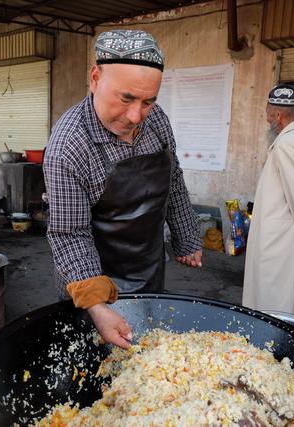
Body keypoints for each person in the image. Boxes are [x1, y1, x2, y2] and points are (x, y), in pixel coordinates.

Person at [43, 30, 202, 349]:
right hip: (93, 273)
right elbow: (69, 234)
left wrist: (187, 237)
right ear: (95, 77)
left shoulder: (156, 121)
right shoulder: (69, 147)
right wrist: (97, 306)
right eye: (126, 98)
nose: (135, 116)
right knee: (95, 367)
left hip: (148, 265)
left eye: (148, 101)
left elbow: (172, 180)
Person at [242, 84, 294, 317]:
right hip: (286, 238)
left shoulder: (287, 145)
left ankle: (273, 351)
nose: (266, 116)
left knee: (272, 307)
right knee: (280, 305)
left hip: (278, 244)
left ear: (276, 115)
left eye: (267, 111)